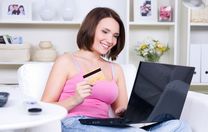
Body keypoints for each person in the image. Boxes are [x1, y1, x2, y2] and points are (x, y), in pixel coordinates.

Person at [41, 7, 192, 132]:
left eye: (115, 35)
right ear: (90, 29)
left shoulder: (115, 69)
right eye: (105, 32)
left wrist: (136, 111)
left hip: (107, 124)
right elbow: (45, 108)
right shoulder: (67, 61)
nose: (110, 40)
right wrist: (75, 99)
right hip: (75, 123)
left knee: (179, 126)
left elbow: (122, 109)